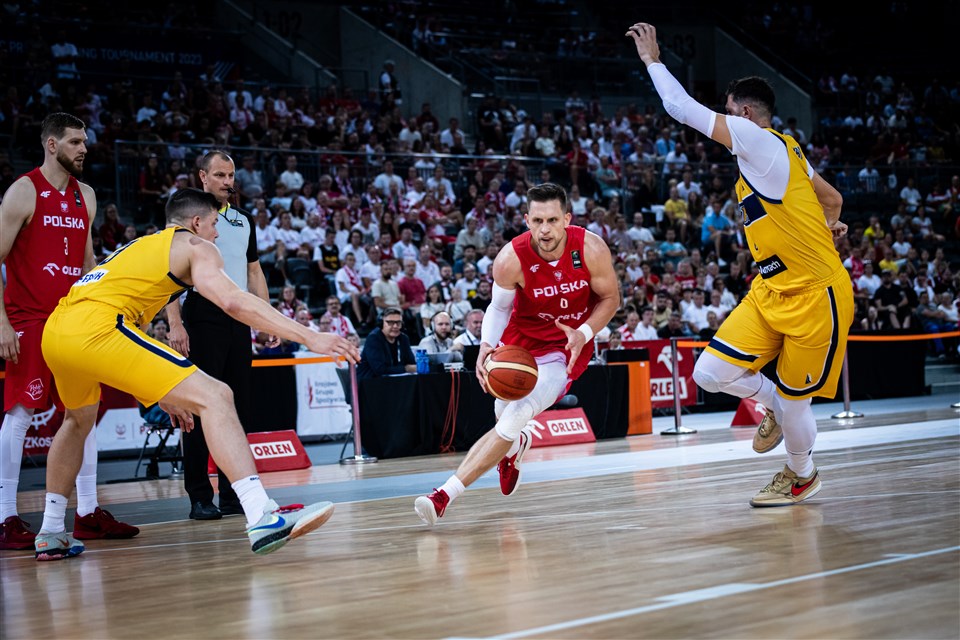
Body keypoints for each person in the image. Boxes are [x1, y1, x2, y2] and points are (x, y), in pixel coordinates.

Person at [34, 188, 358, 559]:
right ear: (197, 222)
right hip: (98, 326)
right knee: (217, 396)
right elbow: (234, 301)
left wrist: (160, 391)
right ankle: (260, 514)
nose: (218, 234)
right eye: (215, 224)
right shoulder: (196, 245)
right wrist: (310, 336)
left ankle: (51, 530)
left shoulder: (143, 246)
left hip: (58, 331)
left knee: (76, 422)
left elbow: (124, 332)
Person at [627, 22, 854, 507]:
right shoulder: (786, 149)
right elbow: (831, 200)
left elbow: (680, 108)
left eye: (729, 113)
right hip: (771, 289)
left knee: (797, 404)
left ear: (746, 115)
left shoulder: (759, 141)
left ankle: (801, 474)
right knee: (709, 373)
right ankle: (771, 405)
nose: (724, 122)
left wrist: (652, 61)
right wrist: (830, 228)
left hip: (817, 294)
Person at [414, 182, 619, 525]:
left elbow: (611, 299)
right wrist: (486, 347)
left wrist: (584, 333)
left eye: (553, 220)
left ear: (567, 218)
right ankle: (514, 449)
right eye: (537, 220)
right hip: (520, 342)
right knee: (502, 411)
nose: (545, 229)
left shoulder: (591, 249)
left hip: (565, 345)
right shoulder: (510, 258)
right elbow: (498, 308)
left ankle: (443, 495)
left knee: (516, 414)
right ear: (526, 220)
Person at [0, 113, 139, 551]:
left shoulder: (87, 197)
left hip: (72, 317)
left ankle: (87, 512)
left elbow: (87, 263)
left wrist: (105, 309)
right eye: (76, 142)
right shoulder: (23, 191)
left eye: (86, 142)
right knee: (21, 415)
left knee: (84, 413)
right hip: (28, 318)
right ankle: (5, 517)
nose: (84, 149)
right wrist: (2, 323)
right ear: (52, 144)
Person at [164, 150, 276, 522]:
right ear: (203, 177)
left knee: (238, 409)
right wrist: (175, 323)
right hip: (202, 319)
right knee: (199, 407)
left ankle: (234, 495)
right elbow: (167, 277)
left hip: (237, 320)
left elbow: (254, 271)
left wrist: (268, 317)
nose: (228, 181)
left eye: (231, 175)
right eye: (220, 175)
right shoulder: (186, 219)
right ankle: (199, 495)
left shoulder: (243, 221)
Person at [356, 308, 416, 379]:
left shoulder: (403, 338)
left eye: (398, 323)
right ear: (381, 324)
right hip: (370, 381)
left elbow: (411, 362)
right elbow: (379, 369)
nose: (395, 326)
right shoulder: (374, 338)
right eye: (390, 322)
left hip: (395, 381)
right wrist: (406, 369)